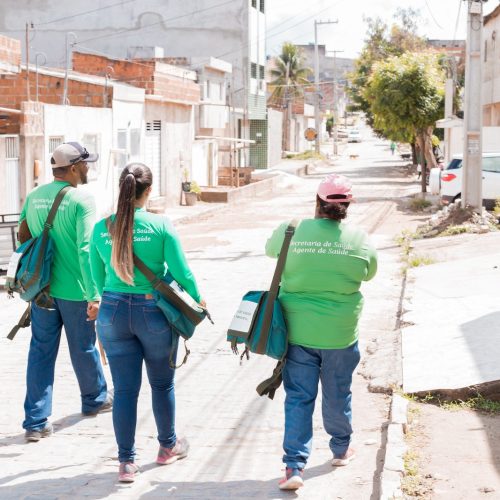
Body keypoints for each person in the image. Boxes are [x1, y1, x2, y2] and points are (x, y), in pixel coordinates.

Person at [90, 163, 204, 483]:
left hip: (111, 313)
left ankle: (126, 463)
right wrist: (198, 299)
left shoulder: (101, 228)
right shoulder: (160, 225)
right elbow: (183, 273)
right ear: (148, 191)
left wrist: (112, 299)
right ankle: (167, 447)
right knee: (162, 384)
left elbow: (96, 276)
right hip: (153, 313)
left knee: (125, 390)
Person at [265, 174, 378, 491]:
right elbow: (369, 272)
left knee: (299, 398)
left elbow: (270, 251)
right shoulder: (359, 238)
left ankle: (293, 467)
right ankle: (341, 450)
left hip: (297, 334)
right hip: (340, 335)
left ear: (318, 202)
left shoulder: (291, 230)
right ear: (347, 207)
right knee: (338, 393)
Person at [19, 142, 111, 443]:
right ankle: (94, 399)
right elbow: (86, 249)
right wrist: (94, 294)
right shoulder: (82, 200)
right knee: (83, 347)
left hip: (42, 291)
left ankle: (35, 422)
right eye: (86, 164)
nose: (88, 169)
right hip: (74, 291)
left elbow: (24, 237)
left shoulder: (33, 197)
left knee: (40, 352)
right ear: (73, 168)